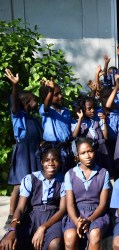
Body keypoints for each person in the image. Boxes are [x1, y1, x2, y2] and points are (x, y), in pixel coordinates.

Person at [0, 146, 66, 250]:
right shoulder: (30, 179)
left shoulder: (63, 180)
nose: (51, 163)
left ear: (60, 163)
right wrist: (12, 229)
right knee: (8, 242)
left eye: (55, 160)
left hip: (53, 217)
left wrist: (43, 227)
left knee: (55, 244)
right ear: (41, 162)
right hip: (31, 216)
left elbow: (62, 209)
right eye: (47, 160)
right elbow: (20, 208)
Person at [3, 69, 43, 230]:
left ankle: (29, 212)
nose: (36, 103)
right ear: (26, 102)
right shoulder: (17, 115)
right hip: (22, 153)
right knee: (19, 185)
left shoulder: (34, 119)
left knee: (34, 182)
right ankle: (11, 215)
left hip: (34, 153)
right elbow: (14, 102)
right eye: (33, 100)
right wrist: (15, 86)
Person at [63, 137, 110, 250]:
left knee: (94, 234)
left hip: (97, 214)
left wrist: (89, 220)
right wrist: (77, 221)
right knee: (69, 237)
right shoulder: (70, 174)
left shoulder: (103, 173)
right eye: (83, 153)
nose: (88, 156)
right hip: (76, 214)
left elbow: (103, 204)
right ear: (77, 156)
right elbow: (70, 204)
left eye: (90, 151)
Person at [39, 78, 74, 172]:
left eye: (60, 93)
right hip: (52, 148)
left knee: (67, 173)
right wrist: (50, 90)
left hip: (66, 147)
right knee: (54, 174)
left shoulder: (66, 111)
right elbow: (46, 105)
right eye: (56, 95)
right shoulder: (46, 110)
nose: (60, 96)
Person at [71, 96, 111, 173]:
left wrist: (104, 121)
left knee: (105, 171)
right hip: (89, 152)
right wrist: (80, 119)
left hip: (102, 150)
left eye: (93, 108)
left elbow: (105, 137)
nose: (92, 110)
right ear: (82, 110)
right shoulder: (76, 122)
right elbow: (74, 135)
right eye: (89, 109)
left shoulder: (97, 119)